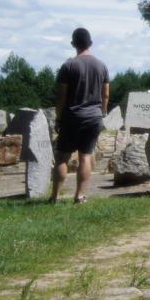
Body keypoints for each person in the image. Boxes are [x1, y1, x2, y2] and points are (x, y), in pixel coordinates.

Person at [50, 28, 110, 204]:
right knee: (85, 156)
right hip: (94, 117)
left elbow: (61, 96)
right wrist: (103, 112)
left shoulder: (68, 66)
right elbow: (105, 94)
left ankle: (55, 197)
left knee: (62, 157)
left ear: (73, 44)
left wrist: (58, 118)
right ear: (90, 43)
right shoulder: (102, 66)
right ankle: (80, 195)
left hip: (72, 117)